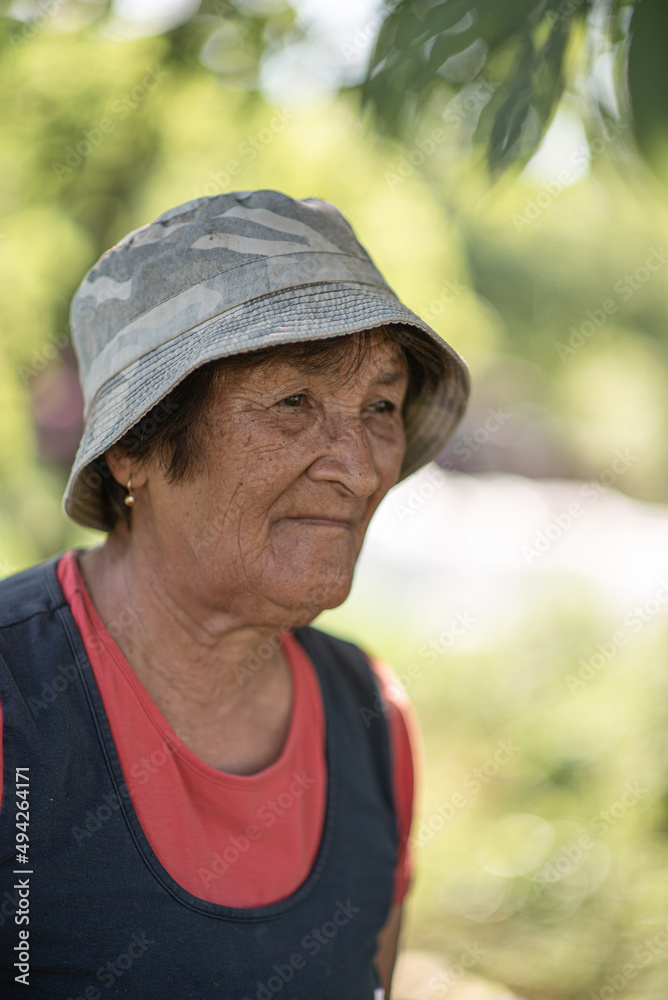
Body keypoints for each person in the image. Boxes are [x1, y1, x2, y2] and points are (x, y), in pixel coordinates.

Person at [0, 189, 469, 998]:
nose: (359, 471)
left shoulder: (372, 721)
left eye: (381, 407)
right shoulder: (18, 699)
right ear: (133, 449)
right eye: (294, 402)